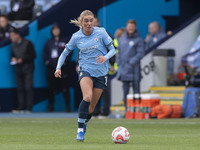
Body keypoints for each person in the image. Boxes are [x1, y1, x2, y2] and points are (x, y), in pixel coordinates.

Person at [54, 10, 115, 141]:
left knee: (91, 108)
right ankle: (80, 130)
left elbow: (113, 50)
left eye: (91, 20)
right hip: (85, 69)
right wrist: (58, 67)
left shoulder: (101, 32)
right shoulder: (76, 37)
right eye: (86, 21)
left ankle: (85, 122)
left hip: (101, 72)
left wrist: (105, 58)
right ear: (81, 22)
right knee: (87, 97)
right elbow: (65, 53)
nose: (89, 23)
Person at [116, 19, 145, 109]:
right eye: (129, 26)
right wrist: (119, 63)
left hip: (134, 70)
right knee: (125, 91)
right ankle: (126, 109)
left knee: (136, 91)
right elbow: (119, 53)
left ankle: (136, 109)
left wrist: (132, 61)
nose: (130, 28)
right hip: (124, 70)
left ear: (135, 27)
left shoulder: (139, 40)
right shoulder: (121, 39)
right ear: (126, 27)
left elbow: (140, 53)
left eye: (132, 27)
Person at [43, 24, 71, 112]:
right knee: (51, 88)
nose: (56, 31)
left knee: (65, 88)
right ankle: (50, 106)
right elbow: (45, 53)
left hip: (63, 68)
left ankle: (68, 106)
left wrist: (65, 61)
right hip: (51, 68)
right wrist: (47, 61)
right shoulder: (49, 42)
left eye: (57, 29)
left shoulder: (65, 40)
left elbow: (69, 51)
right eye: (54, 29)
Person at [10, 28, 36, 113]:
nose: (11, 38)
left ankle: (29, 108)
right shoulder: (13, 45)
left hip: (28, 69)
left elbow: (33, 55)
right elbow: (13, 55)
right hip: (18, 69)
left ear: (18, 35)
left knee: (28, 88)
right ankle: (21, 107)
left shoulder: (28, 43)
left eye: (12, 36)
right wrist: (13, 59)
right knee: (19, 88)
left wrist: (22, 59)